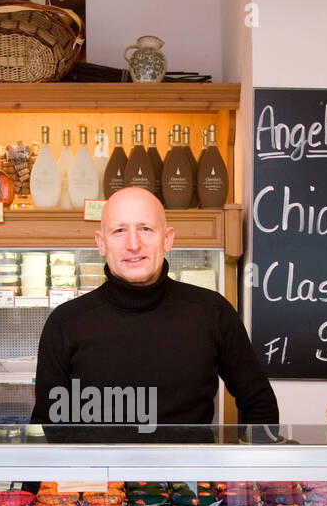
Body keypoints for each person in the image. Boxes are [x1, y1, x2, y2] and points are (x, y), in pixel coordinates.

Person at [31, 187, 278, 436]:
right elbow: (46, 427)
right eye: (119, 231)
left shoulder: (212, 313)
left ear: (167, 239)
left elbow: (260, 403)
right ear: (101, 243)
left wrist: (247, 470)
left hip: (188, 474)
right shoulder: (65, 323)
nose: (133, 244)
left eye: (146, 229)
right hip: (99, 475)